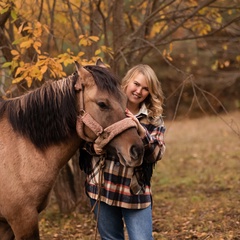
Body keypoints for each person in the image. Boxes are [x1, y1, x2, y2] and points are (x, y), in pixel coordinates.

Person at [79, 64, 166, 240]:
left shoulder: (153, 119)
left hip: (134, 192)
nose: (138, 91)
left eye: (145, 89)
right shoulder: (107, 107)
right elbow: (85, 139)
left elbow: (157, 153)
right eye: (136, 84)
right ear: (127, 82)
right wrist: (92, 148)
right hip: (102, 187)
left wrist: (141, 131)